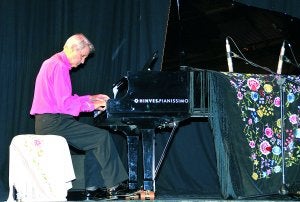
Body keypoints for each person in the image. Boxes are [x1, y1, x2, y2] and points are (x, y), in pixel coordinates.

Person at [30, 33, 128, 200]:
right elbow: (65, 105)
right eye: (82, 56)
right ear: (72, 48)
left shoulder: (52, 63)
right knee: (101, 137)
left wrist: (91, 97)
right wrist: (92, 105)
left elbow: (62, 99)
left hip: (48, 121)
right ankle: (115, 186)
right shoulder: (59, 66)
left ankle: (92, 187)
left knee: (95, 140)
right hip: (55, 122)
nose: (83, 62)